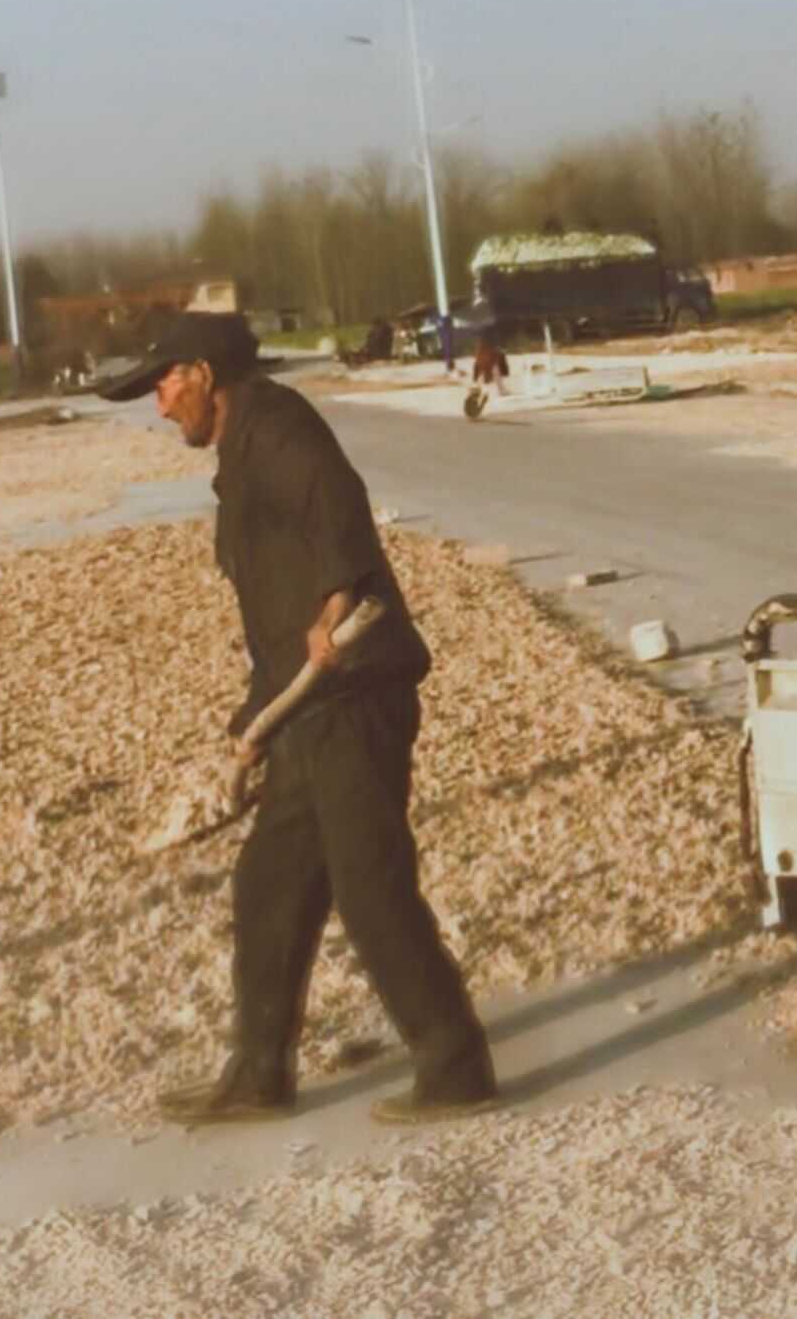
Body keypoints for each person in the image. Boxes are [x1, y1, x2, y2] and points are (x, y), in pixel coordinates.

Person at [97, 312, 500, 1128]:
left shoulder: (280, 429)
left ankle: (455, 1066)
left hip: (355, 694)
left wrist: (339, 597)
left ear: (205, 374)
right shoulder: (242, 451)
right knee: (269, 885)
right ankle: (258, 1074)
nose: (159, 402)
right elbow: (277, 616)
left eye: (165, 382)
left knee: (370, 887)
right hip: (307, 709)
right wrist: (253, 721)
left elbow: (336, 503)